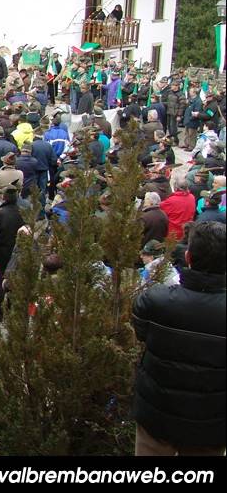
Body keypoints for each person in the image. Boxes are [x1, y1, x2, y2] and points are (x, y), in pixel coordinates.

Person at [132, 222, 225, 456]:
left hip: (157, 413)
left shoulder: (155, 300)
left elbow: (141, 333)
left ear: (188, 257)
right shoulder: (157, 300)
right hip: (210, 422)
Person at [160, 176, 196, 241]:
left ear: (175, 188)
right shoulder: (192, 197)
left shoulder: (171, 201)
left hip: (173, 233)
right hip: (187, 232)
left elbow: (160, 209)